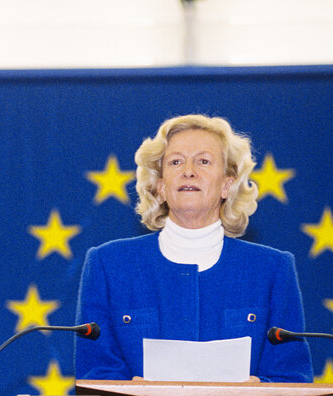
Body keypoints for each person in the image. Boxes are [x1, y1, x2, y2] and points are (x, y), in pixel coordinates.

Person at [75, 114, 313, 382]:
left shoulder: (272, 269)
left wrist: (259, 392)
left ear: (227, 184)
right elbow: (95, 374)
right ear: (161, 187)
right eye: (175, 162)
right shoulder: (109, 264)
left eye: (204, 161)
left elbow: (291, 377)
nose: (189, 171)